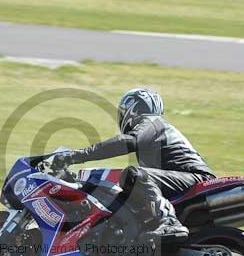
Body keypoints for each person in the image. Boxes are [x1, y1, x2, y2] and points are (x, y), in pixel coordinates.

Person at [52, 88, 214, 240]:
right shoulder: (155, 130)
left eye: (123, 112)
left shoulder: (152, 122)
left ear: (133, 110)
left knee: (135, 175)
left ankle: (170, 222)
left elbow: (128, 141)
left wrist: (76, 156)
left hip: (195, 178)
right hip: (185, 179)